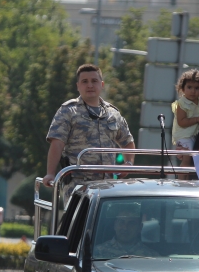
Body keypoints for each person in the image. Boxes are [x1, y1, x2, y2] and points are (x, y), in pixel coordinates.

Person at [43, 63, 136, 204]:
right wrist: (50, 173)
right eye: (84, 81)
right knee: (80, 224)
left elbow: (128, 142)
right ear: (78, 86)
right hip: (78, 185)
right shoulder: (68, 111)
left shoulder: (113, 114)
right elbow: (57, 144)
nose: (90, 85)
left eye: (94, 81)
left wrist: (128, 163)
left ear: (102, 84)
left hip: (108, 186)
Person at [171, 69, 199, 169]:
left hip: (195, 135)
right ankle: (183, 181)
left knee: (195, 160)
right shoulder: (182, 104)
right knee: (186, 160)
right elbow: (181, 122)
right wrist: (197, 119)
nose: (193, 91)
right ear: (182, 89)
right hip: (184, 136)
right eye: (189, 87)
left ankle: (189, 180)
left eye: (197, 88)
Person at [94, 204, 158, 259]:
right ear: (115, 225)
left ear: (140, 227)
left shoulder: (151, 256)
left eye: (131, 223)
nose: (125, 228)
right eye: (121, 222)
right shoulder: (97, 253)